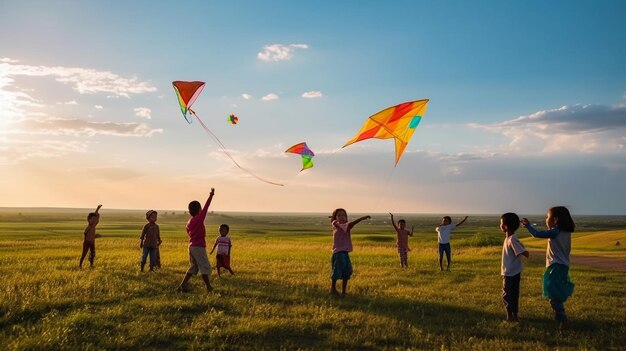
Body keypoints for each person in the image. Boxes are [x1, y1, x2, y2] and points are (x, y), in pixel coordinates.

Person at [521, 206, 575, 330]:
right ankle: (559, 318)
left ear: (555, 220)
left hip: (554, 267)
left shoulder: (555, 231)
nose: (546, 219)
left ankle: (563, 320)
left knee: (553, 295)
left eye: (547, 217)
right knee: (556, 293)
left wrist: (528, 225)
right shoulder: (566, 232)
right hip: (563, 266)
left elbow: (537, 234)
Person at [177, 188, 215, 293]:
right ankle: (208, 287)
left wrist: (193, 237)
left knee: (193, 267)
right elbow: (207, 207)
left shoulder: (189, 221)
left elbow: (187, 230)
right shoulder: (199, 218)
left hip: (191, 246)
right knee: (204, 267)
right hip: (199, 246)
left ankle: (182, 285)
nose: (202, 209)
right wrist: (211, 195)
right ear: (199, 209)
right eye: (200, 208)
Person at [330, 208, 370, 296]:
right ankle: (332, 289)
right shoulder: (338, 225)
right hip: (339, 253)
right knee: (336, 271)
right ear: (335, 218)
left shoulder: (341, 225)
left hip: (345, 253)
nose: (342, 217)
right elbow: (351, 224)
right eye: (339, 215)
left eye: (344, 215)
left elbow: (346, 224)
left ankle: (344, 292)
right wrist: (361, 218)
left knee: (347, 271)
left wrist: (332, 218)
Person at [500, 212, 529, 322]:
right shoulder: (508, 238)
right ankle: (514, 315)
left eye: (501, 223)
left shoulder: (512, 239)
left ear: (505, 226)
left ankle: (510, 316)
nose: (500, 225)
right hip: (513, 272)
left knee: (507, 294)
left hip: (510, 273)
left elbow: (525, 253)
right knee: (513, 294)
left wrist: (523, 252)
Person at [80, 204, 102, 268]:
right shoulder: (88, 227)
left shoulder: (93, 226)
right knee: (84, 254)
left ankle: (91, 265)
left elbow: (95, 215)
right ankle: (80, 265)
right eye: (92, 219)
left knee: (93, 254)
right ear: (89, 220)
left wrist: (95, 236)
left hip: (92, 242)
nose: (94, 220)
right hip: (87, 242)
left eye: (94, 219)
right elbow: (85, 234)